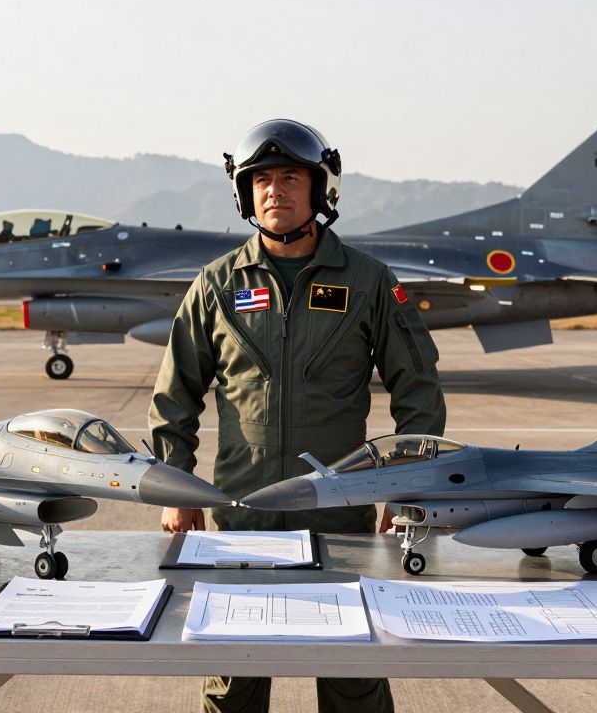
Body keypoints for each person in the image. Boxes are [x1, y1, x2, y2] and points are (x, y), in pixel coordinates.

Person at [149, 119, 446, 713]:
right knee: (232, 678)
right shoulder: (217, 284)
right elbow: (176, 393)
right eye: (261, 179)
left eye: (289, 177)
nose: (274, 190)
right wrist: (174, 485)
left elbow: (417, 388)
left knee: (353, 677)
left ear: (320, 188)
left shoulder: (368, 281)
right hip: (241, 516)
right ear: (245, 192)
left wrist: (408, 484)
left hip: (340, 514)